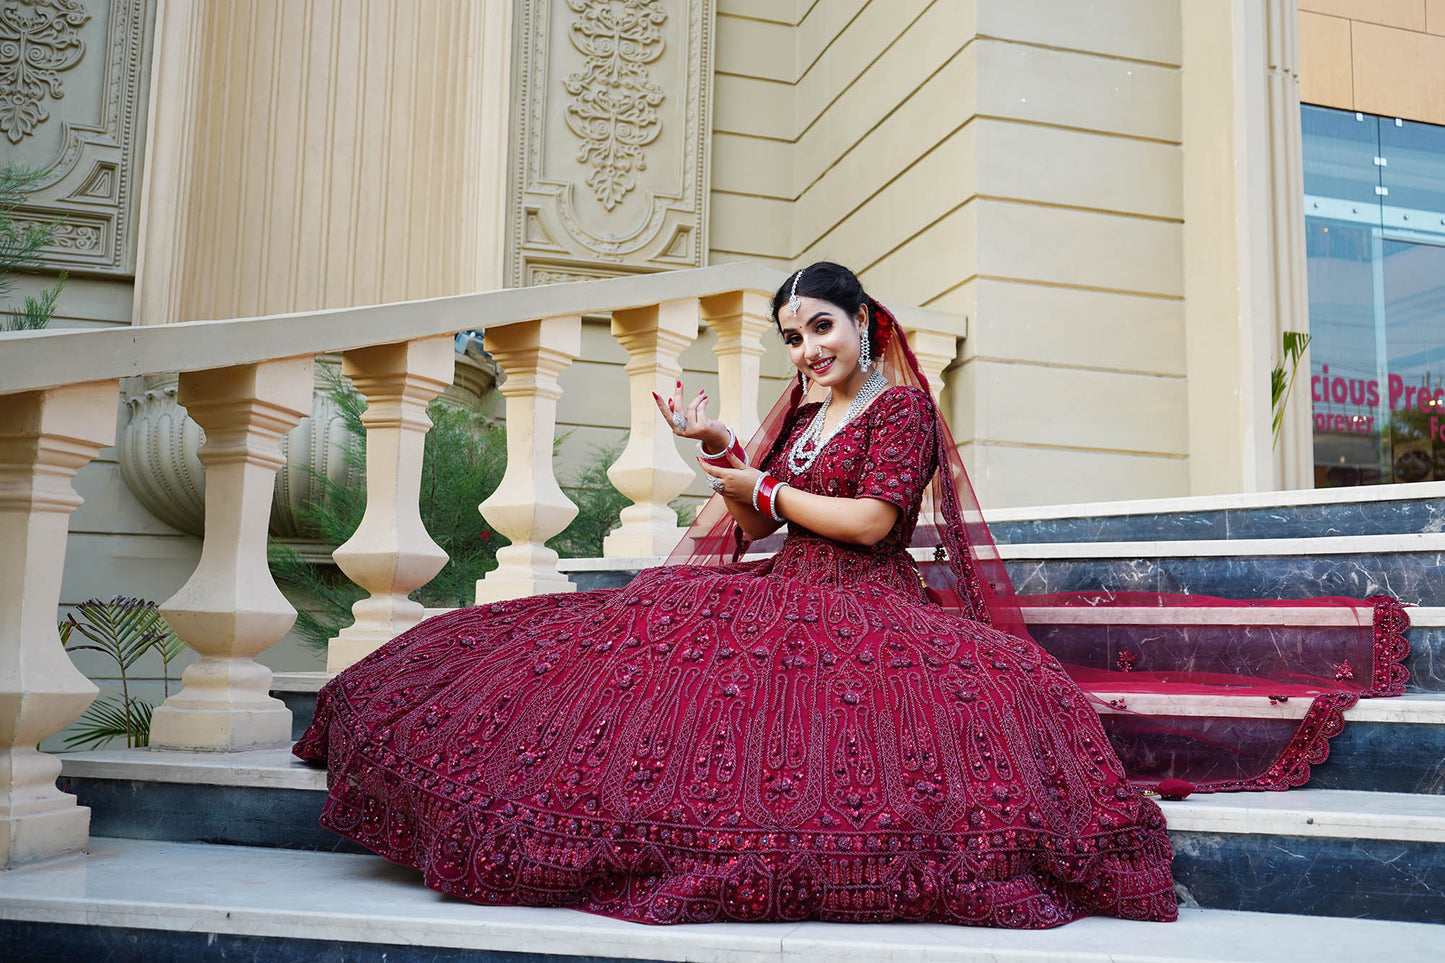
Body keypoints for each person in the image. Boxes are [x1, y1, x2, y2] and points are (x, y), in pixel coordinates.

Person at [300, 260, 1415, 927]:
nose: (805, 351)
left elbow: (875, 523)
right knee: (576, 652)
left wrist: (769, 496)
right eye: (790, 338)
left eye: (819, 329)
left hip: (868, 602)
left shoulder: (898, 413)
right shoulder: (799, 414)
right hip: (778, 586)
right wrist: (721, 456)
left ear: (863, 325)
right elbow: (752, 521)